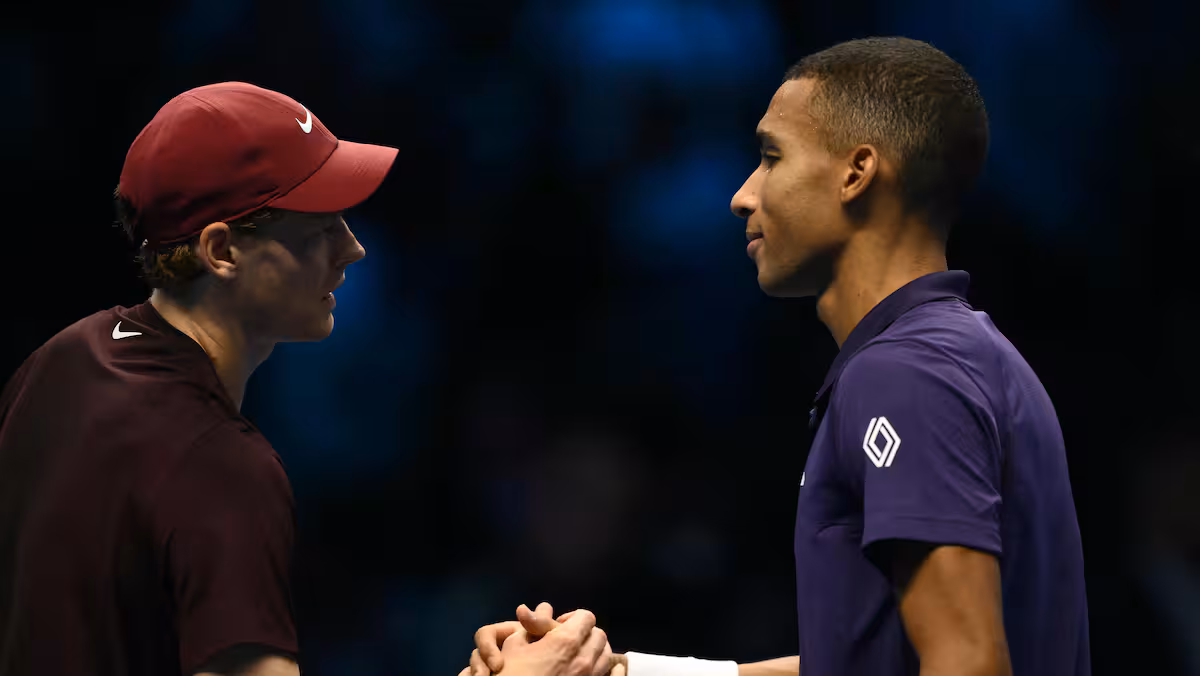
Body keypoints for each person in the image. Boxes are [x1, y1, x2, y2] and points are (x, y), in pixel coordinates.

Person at [468, 36, 1089, 676]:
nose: (743, 194)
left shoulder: (905, 377)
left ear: (857, 172)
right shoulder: (971, 356)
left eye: (771, 157)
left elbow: (968, 664)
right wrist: (619, 672)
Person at [0, 82, 610, 676]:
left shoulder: (60, 361)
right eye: (318, 228)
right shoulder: (220, 466)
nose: (352, 250)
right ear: (222, 252)